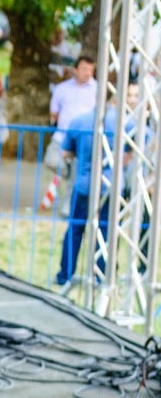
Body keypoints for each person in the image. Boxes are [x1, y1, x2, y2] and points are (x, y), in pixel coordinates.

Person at [55, 102, 132, 286]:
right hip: (112, 185)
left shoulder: (79, 121)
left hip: (84, 184)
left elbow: (65, 152)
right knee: (107, 231)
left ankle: (65, 274)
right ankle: (102, 275)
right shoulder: (125, 122)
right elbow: (131, 152)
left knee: (75, 229)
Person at [44, 55, 97, 209]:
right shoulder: (62, 89)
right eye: (84, 69)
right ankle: (64, 173)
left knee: (77, 171)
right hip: (62, 135)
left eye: (91, 70)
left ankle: (68, 206)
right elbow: (54, 112)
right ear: (75, 70)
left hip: (83, 138)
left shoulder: (97, 89)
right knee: (52, 160)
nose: (88, 73)